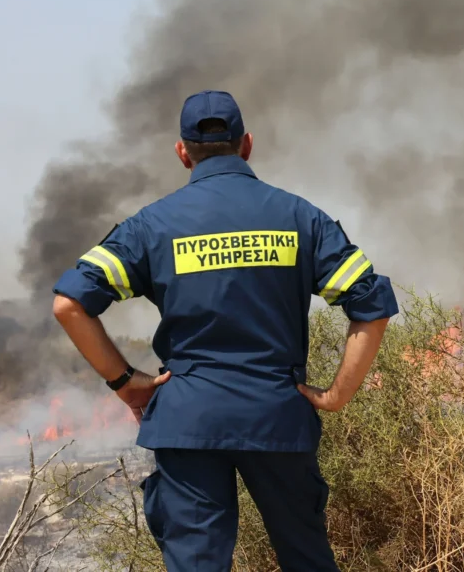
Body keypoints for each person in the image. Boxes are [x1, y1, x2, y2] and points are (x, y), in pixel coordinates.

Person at [52, 89, 398, 572]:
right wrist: (339, 393)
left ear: (182, 152)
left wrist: (126, 383)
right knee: (307, 560)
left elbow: (70, 304)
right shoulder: (301, 218)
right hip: (278, 415)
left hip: (189, 419)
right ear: (247, 144)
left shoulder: (151, 226)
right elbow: (371, 307)